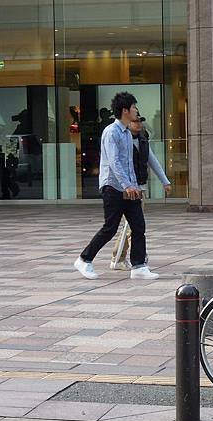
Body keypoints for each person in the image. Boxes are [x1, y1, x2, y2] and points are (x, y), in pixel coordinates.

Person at [73, 91, 159, 280]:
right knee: (110, 228)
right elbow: (114, 163)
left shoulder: (128, 133)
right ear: (125, 110)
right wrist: (127, 185)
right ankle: (84, 259)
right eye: (134, 107)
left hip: (129, 188)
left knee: (138, 226)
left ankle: (138, 267)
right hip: (113, 187)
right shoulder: (111, 132)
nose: (137, 111)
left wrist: (133, 186)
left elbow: (129, 163)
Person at [109, 115, 172, 270]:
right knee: (132, 225)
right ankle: (120, 256)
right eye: (135, 121)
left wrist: (165, 181)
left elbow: (153, 161)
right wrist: (125, 185)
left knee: (133, 225)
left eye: (140, 121)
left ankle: (123, 256)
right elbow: (115, 163)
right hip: (126, 188)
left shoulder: (143, 140)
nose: (139, 124)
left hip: (139, 188)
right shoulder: (122, 139)